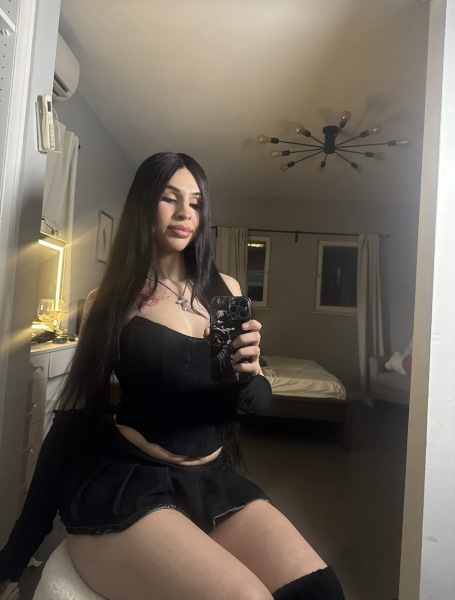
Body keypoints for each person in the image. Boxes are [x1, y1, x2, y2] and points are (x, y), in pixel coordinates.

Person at [0, 152, 345, 599]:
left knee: (322, 591)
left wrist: (250, 374)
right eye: (170, 198)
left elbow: (252, 402)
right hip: (133, 482)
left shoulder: (226, 291)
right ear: (145, 205)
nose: (185, 213)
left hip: (214, 481)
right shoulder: (111, 300)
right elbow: (71, 423)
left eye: (196, 203)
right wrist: (17, 550)